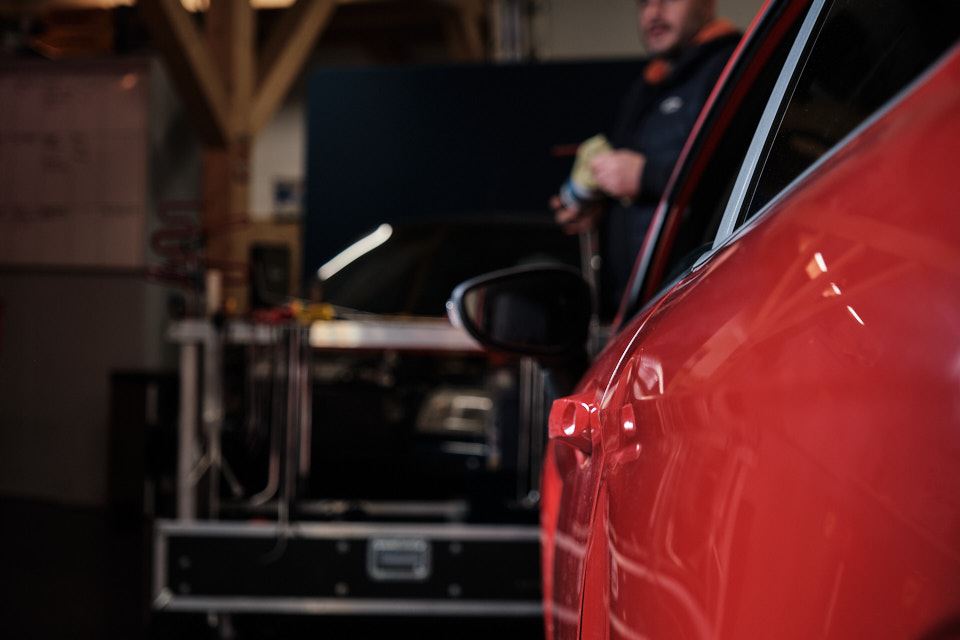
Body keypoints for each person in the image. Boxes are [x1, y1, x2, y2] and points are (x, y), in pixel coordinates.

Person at [551, 0, 741, 313]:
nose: (653, 13)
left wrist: (644, 176)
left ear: (707, 4)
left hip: (702, 305)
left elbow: (746, 179)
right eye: (643, 3)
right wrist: (598, 207)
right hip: (644, 307)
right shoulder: (649, 84)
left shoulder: (734, 67)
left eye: (667, 0)